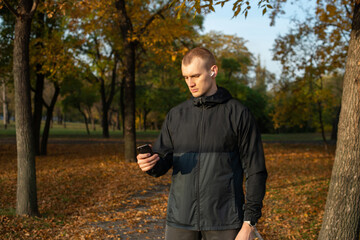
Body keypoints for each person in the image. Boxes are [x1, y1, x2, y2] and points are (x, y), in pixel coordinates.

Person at [137, 47, 267, 240]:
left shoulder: (238, 114)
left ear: (213, 71)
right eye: (186, 77)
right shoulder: (176, 115)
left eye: (195, 76)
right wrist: (149, 164)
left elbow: (256, 171)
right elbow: (162, 162)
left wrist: (249, 223)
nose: (190, 83)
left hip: (225, 222)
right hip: (180, 222)